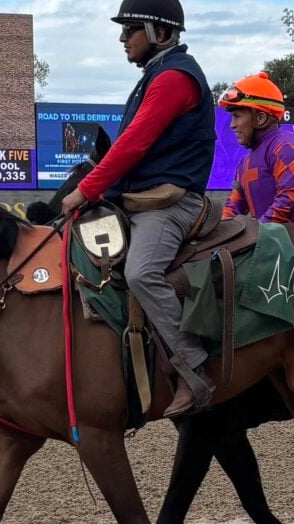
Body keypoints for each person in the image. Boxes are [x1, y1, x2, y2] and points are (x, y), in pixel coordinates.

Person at [59, 0, 217, 417]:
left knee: (141, 271)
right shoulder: (155, 76)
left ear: (160, 33)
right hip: (143, 201)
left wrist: (86, 189)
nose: (122, 39)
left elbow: (133, 144)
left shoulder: (174, 79)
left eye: (130, 29)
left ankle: (194, 369)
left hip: (171, 205)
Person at [219, 72, 294, 225]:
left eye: (237, 116)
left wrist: (256, 233)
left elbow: (286, 203)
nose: (232, 125)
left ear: (260, 118)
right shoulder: (245, 163)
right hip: (270, 240)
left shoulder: (287, 148)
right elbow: (232, 209)